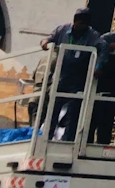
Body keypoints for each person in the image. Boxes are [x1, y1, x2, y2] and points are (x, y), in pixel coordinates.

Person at [43, 9, 104, 140]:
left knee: (73, 111)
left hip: (78, 78)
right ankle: (47, 137)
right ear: (75, 21)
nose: (82, 27)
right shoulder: (63, 30)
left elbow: (102, 48)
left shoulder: (92, 35)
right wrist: (45, 42)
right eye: (80, 23)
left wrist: (98, 66)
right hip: (61, 76)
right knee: (53, 108)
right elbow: (50, 38)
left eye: (85, 24)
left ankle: (68, 139)